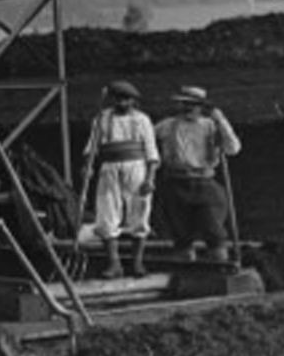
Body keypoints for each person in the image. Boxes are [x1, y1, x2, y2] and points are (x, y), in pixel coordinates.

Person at [154, 86, 242, 265]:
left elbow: (233, 149)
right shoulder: (166, 125)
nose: (188, 108)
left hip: (204, 182)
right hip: (175, 183)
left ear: (202, 106)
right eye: (184, 104)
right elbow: (145, 144)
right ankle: (186, 274)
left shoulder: (211, 125)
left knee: (213, 231)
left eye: (193, 104)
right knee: (181, 233)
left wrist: (221, 121)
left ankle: (221, 269)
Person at [83, 80, 159, 278]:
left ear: (133, 101)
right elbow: (92, 147)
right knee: (107, 212)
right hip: (109, 168)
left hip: (136, 167)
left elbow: (151, 152)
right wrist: (88, 166)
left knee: (140, 210)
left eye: (126, 99)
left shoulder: (142, 120)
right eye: (118, 99)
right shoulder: (101, 118)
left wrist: (150, 179)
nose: (122, 103)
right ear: (112, 99)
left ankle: (137, 263)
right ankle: (114, 264)